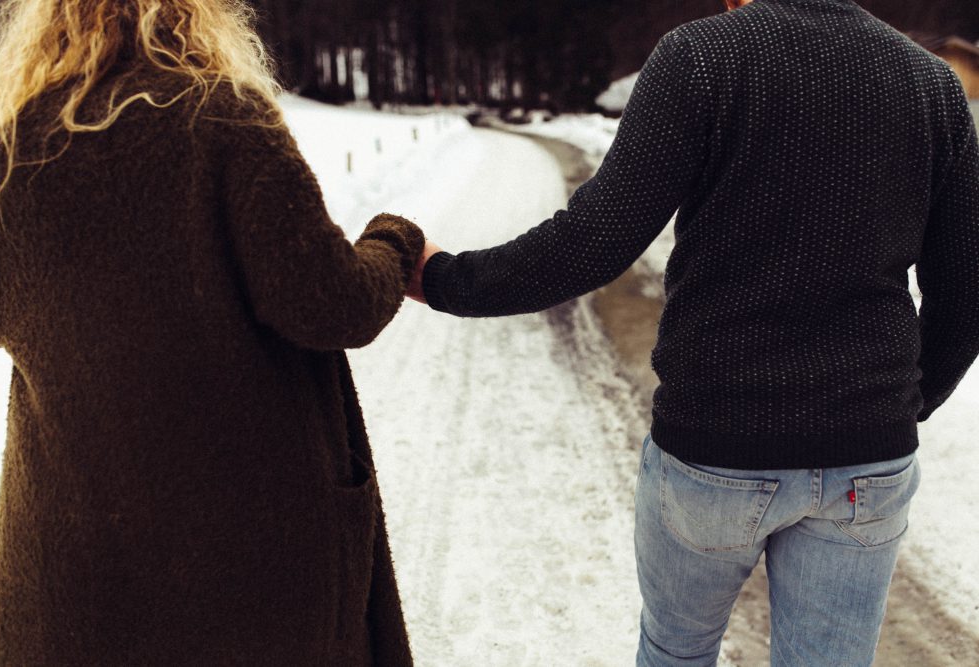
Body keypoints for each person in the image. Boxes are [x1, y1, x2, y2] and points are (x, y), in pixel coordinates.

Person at [409, 0, 979, 664]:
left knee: (676, 652)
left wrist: (446, 280)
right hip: (867, 462)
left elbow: (594, 240)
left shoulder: (703, 57)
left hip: (716, 447)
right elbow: (966, 288)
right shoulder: (931, 83)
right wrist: (893, 408)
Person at [0, 1, 422, 664]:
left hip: (68, 587)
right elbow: (334, 303)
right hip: (248, 573)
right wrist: (394, 241)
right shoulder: (222, 119)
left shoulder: (3, 149)